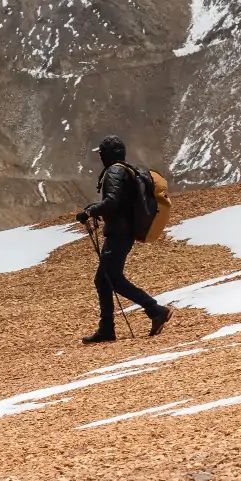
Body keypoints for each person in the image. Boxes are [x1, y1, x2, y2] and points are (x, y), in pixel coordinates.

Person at [76, 138, 172, 344]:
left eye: (102, 152)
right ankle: (107, 328)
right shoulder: (124, 170)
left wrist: (91, 210)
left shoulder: (115, 172)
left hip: (119, 233)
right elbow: (118, 202)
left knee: (112, 279)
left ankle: (155, 310)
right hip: (123, 232)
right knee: (104, 279)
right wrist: (94, 208)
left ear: (110, 153)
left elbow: (112, 202)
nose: (100, 156)